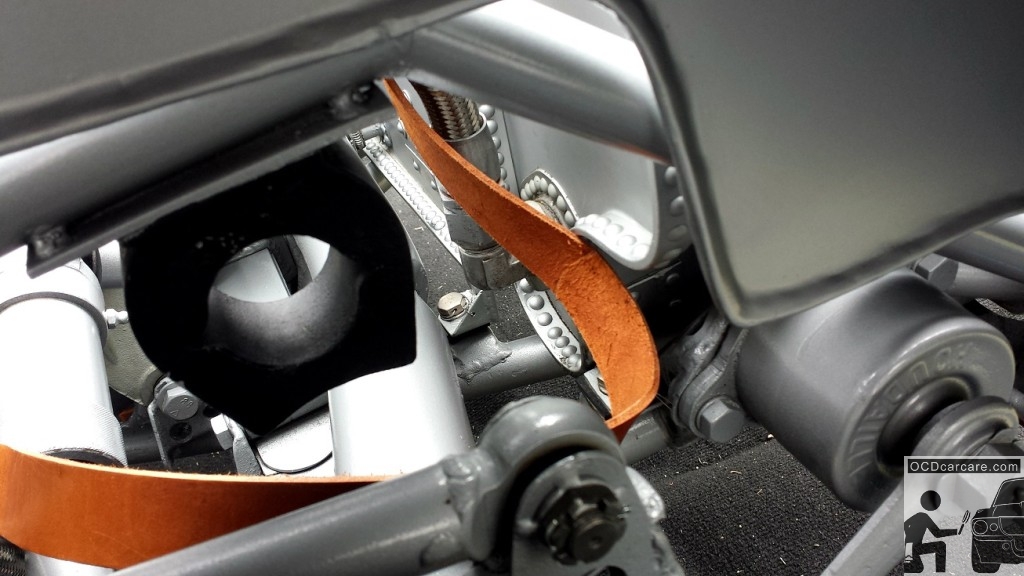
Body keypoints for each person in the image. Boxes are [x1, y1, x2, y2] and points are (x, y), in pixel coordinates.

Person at [904, 490, 958, 573]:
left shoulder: (919, 515)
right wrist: (955, 531)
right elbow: (937, 533)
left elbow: (936, 533)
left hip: (912, 546)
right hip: (911, 548)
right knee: (940, 546)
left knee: (939, 546)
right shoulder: (923, 516)